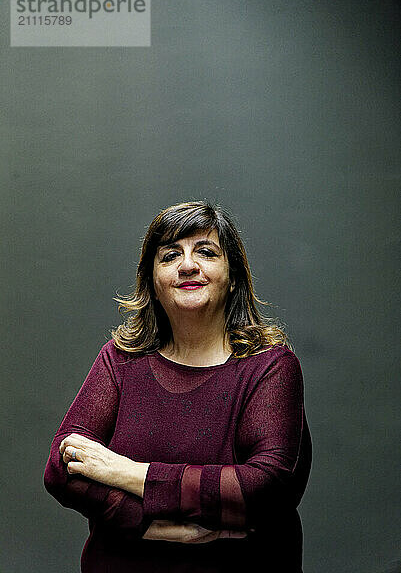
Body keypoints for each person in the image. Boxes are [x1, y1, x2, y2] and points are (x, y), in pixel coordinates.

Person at [44, 200, 312, 573]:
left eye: (205, 252)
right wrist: (148, 525)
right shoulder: (120, 360)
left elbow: (262, 489)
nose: (188, 265)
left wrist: (125, 472)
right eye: (170, 256)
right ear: (152, 282)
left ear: (232, 275)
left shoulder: (270, 368)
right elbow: (60, 467)